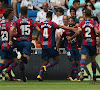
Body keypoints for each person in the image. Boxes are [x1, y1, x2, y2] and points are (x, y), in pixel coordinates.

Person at [37, 11, 77, 81]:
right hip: (51, 45)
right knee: (56, 60)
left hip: (43, 45)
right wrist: (71, 28)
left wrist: (37, 36)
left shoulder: (41, 24)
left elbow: (38, 30)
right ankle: (46, 67)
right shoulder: (52, 23)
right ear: (52, 17)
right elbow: (61, 26)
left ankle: (40, 74)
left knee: (45, 61)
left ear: (46, 16)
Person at [9, 6, 40, 82]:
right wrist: (37, 36)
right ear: (27, 13)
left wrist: (10, 39)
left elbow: (11, 29)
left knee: (20, 61)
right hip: (27, 42)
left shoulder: (17, 21)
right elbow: (38, 29)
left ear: (20, 13)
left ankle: (23, 76)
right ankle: (23, 57)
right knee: (25, 60)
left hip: (19, 41)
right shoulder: (31, 21)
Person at [67, 9, 100, 81]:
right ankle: (94, 75)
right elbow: (97, 31)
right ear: (91, 15)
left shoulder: (82, 23)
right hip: (92, 42)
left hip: (85, 42)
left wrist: (71, 37)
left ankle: (82, 70)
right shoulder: (94, 22)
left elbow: (78, 32)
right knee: (93, 59)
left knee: (83, 58)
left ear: (84, 15)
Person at [57, 17, 80, 81]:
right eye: (69, 21)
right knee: (73, 61)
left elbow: (78, 33)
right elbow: (60, 39)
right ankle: (77, 76)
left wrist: (71, 37)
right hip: (69, 48)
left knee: (77, 63)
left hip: (75, 47)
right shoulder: (65, 31)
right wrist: (57, 47)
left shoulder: (76, 29)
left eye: (72, 21)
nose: (70, 22)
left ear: (74, 22)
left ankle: (70, 75)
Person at [0, 9, 18, 80]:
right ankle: (6, 71)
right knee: (16, 60)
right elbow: (11, 32)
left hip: (2, 43)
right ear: (9, 15)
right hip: (8, 44)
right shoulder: (10, 24)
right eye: (12, 14)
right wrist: (17, 34)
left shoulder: (1, 23)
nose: (13, 15)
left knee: (6, 60)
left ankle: (10, 76)